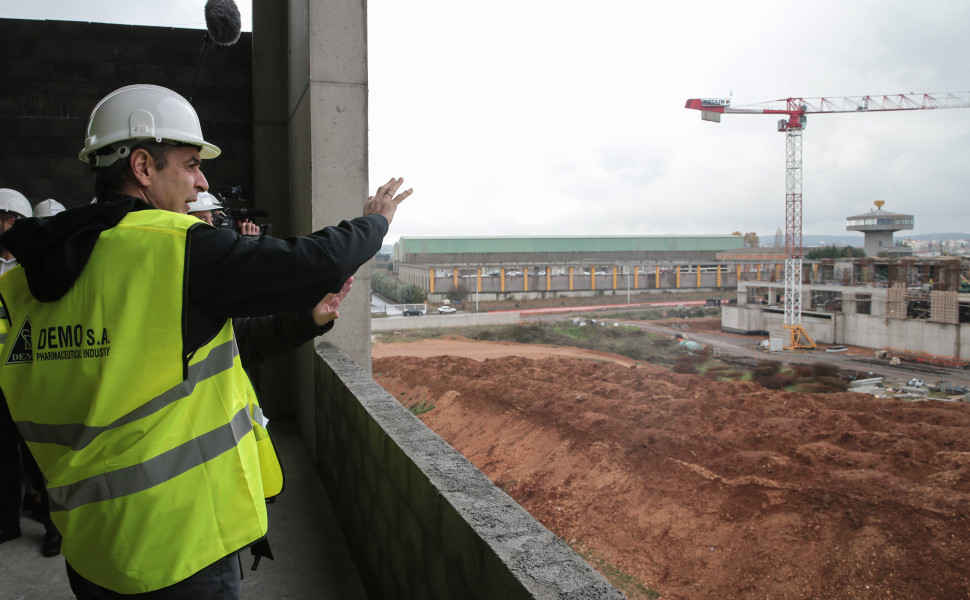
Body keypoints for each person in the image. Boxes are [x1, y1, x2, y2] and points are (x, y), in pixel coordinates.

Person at [0, 83, 411, 598]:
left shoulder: (20, 282)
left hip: (91, 548)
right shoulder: (175, 251)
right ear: (143, 167)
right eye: (191, 163)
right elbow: (319, 261)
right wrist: (377, 220)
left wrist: (307, 319)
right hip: (180, 548)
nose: (202, 181)